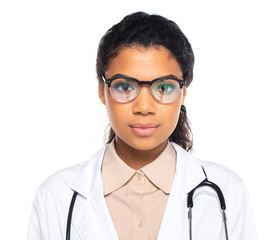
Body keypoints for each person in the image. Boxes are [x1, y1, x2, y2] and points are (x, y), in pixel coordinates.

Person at [27, 12, 257, 240]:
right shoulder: (56, 197)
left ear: (183, 91)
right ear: (101, 90)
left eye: (164, 88)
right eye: (125, 87)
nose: (144, 107)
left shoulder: (228, 192)